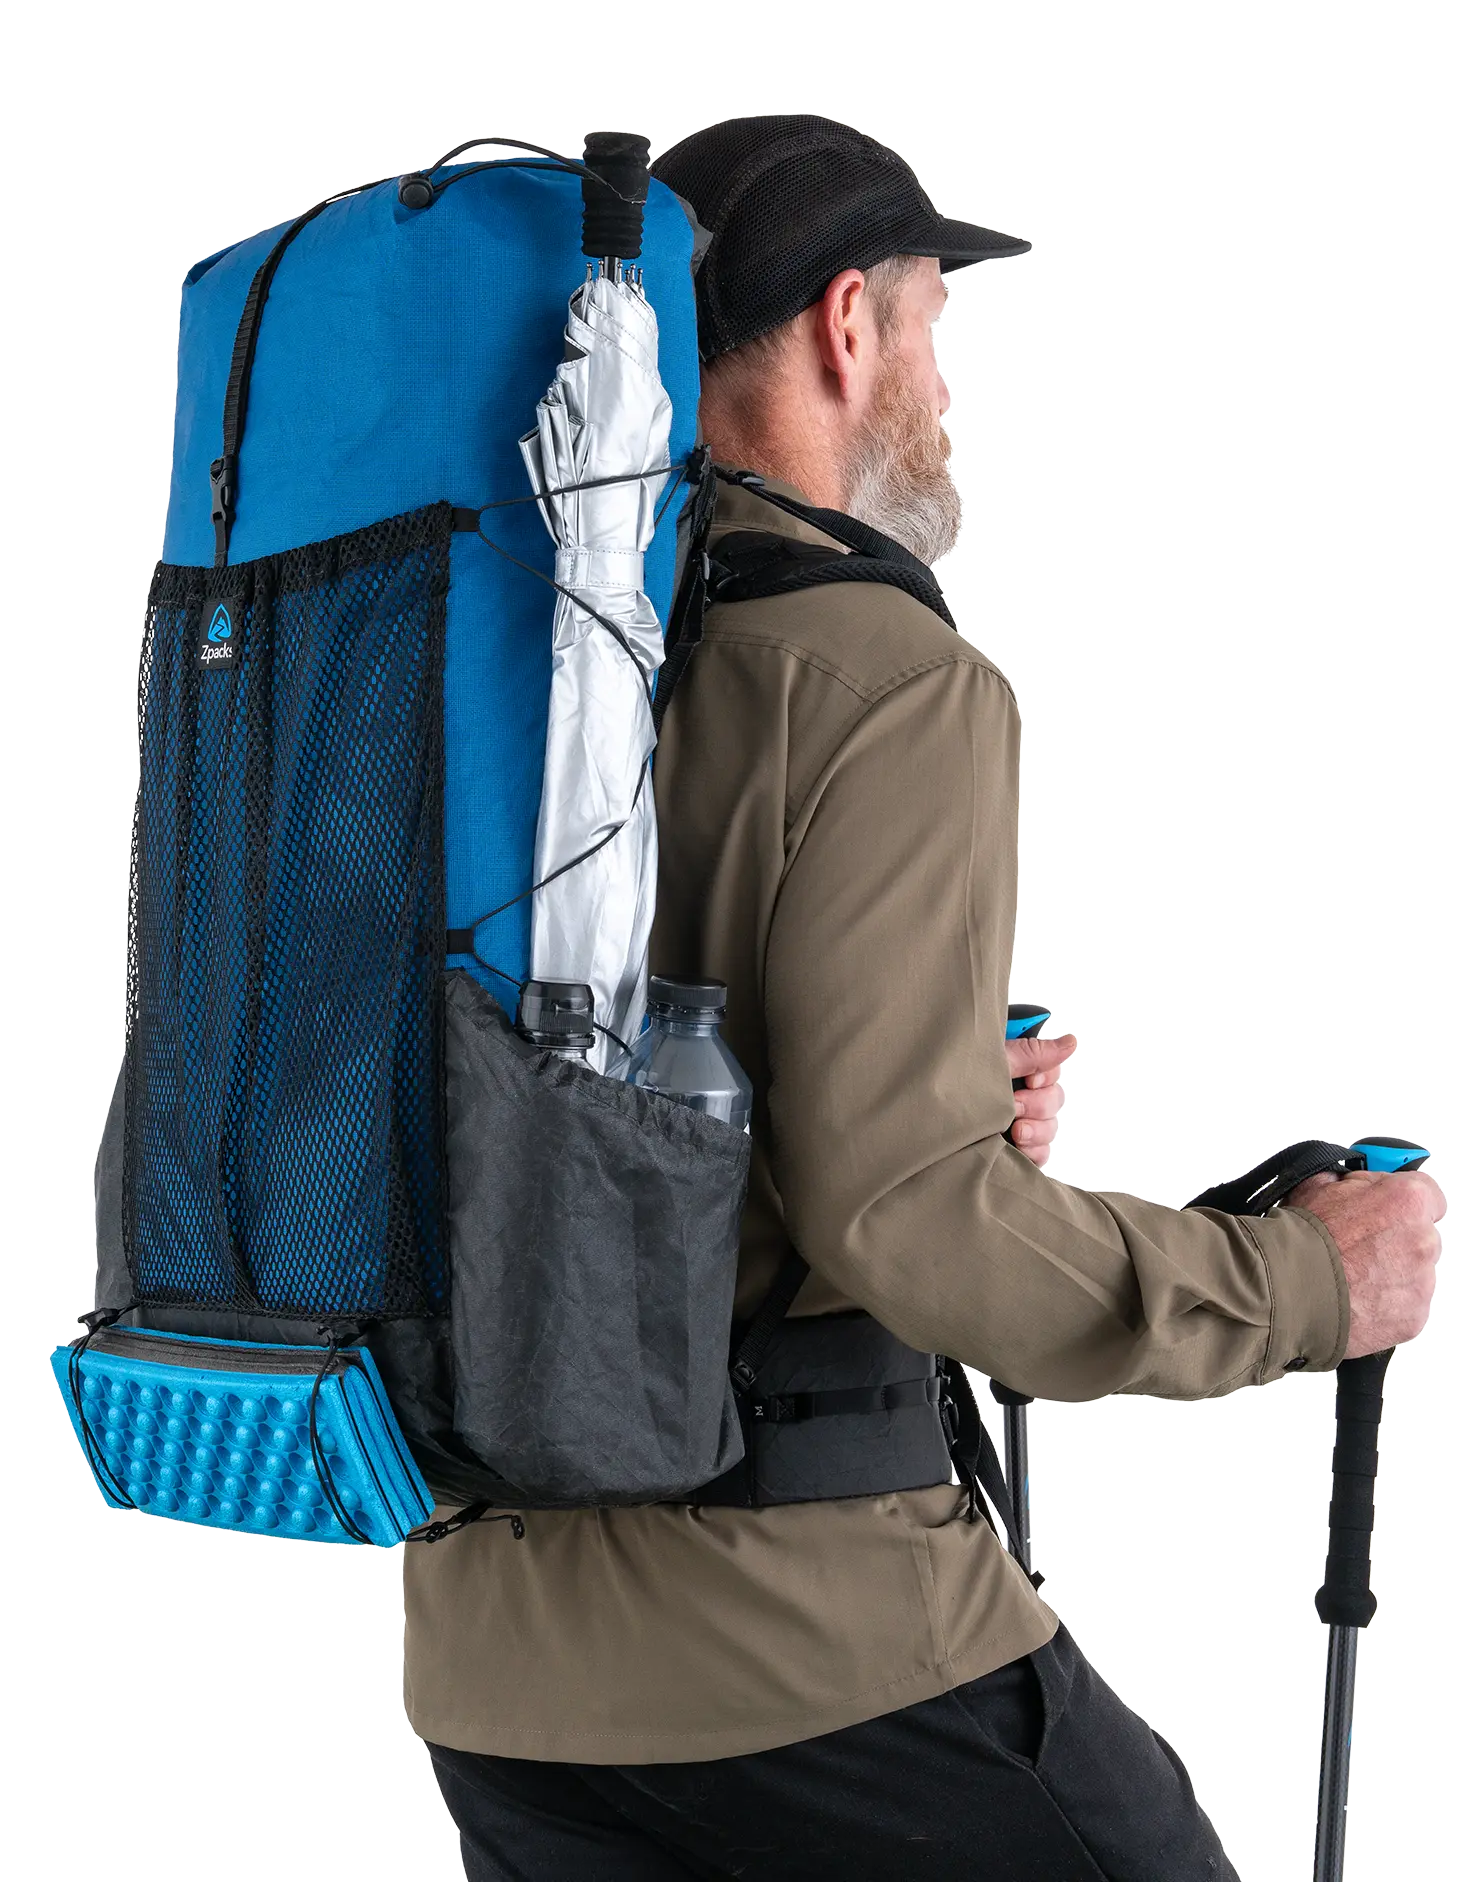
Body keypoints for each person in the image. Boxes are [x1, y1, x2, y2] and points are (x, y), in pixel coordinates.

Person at [401, 115, 1445, 1879]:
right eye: (930, 326)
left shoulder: (499, 660)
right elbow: (906, 1217)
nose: (941, 389)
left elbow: (565, 1086)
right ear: (844, 325)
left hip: (498, 1683)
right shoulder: (879, 675)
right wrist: (1305, 1283)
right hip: (817, 1650)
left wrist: (927, 1082)